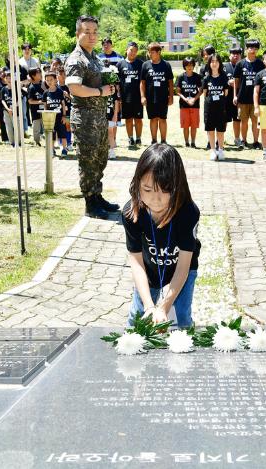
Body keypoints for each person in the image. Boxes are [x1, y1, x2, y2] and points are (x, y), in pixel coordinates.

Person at [122, 143, 201, 329]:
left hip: (182, 269)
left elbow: (184, 265)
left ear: (177, 186)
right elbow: (136, 262)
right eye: (147, 189)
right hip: (148, 269)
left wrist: (164, 307)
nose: (155, 199)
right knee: (137, 318)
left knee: (181, 317)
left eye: (165, 190)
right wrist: (150, 306)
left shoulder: (188, 212)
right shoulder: (131, 213)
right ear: (137, 184)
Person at [64, 15, 119, 219]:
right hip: (85, 119)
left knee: (99, 159)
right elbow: (74, 88)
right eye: (87, 31)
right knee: (88, 162)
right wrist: (100, 92)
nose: (92, 35)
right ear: (78, 33)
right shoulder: (76, 59)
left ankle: (97, 196)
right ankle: (90, 203)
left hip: (98, 118)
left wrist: (109, 87)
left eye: (95, 32)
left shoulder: (93, 57)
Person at [140, 42, 174, 144]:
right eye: (149, 52)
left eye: (152, 52)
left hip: (163, 97)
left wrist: (171, 96)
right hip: (150, 97)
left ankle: (163, 141)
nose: (149, 54)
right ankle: (154, 141)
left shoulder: (166, 65)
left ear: (159, 52)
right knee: (153, 119)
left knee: (162, 119)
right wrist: (142, 96)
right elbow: (142, 83)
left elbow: (170, 82)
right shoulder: (145, 65)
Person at [233, 39, 264, 150]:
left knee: (255, 121)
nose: (253, 50)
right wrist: (235, 96)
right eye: (251, 48)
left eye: (255, 48)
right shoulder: (240, 64)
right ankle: (243, 140)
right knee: (243, 121)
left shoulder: (260, 63)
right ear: (246, 49)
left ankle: (256, 141)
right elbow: (236, 81)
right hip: (242, 98)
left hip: (256, 99)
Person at [117, 41, 144, 147]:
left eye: (135, 51)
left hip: (138, 97)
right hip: (125, 97)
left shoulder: (141, 64)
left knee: (138, 119)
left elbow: (144, 81)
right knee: (128, 119)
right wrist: (119, 96)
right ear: (126, 50)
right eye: (131, 50)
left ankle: (138, 138)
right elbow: (117, 83)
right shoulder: (120, 65)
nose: (133, 53)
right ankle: (130, 138)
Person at [202, 54, 228, 161]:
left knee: (221, 130)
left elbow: (225, 92)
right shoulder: (206, 78)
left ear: (220, 63)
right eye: (212, 61)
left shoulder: (223, 77)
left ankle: (221, 150)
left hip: (221, 107)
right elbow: (205, 93)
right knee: (211, 130)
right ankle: (213, 150)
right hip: (209, 108)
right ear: (209, 63)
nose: (214, 63)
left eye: (216, 61)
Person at [175, 57, 202, 148]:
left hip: (195, 105)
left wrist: (194, 99)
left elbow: (200, 91)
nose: (189, 67)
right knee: (185, 125)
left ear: (193, 66)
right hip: (184, 105)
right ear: (184, 66)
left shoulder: (198, 77)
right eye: (187, 65)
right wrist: (185, 99)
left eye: (191, 65)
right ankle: (186, 142)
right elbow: (178, 91)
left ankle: (193, 142)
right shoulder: (180, 77)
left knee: (194, 125)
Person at [43, 71, 69, 157]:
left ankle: (64, 149)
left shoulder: (60, 91)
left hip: (60, 117)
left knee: (63, 134)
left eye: (51, 79)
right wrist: (46, 117)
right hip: (50, 118)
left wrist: (64, 116)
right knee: (52, 134)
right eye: (47, 80)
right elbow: (45, 106)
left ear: (55, 80)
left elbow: (63, 104)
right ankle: (52, 150)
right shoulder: (46, 93)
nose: (49, 81)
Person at [223, 47, 242, 146]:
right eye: (233, 53)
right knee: (224, 119)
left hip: (238, 97)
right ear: (229, 55)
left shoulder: (242, 66)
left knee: (237, 119)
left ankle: (237, 139)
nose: (235, 55)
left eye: (238, 53)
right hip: (225, 98)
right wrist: (227, 82)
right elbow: (219, 79)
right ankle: (221, 139)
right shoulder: (224, 66)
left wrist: (237, 83)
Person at [19, 43, 39, 133]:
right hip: (23, 87)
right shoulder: (19, 62)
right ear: (22, 51)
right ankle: (26, 127)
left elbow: (39, 74)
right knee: (24, 108)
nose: (27, 51)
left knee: (35, 106)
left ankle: (37, 126)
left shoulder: (35, 60)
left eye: (29, 49)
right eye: (25, 49)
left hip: (34, 86)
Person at [27, 68, 45, 146]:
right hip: (35, 111)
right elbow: (30, 101)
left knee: (46, 126)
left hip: (45, 110)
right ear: (33, 76)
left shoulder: (43, 84)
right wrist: (39, 102)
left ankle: (49, 140)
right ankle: (37, 141)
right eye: (38, 73)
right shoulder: (31, 87)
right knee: (36, 127)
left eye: (40, 72)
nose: (40, 74)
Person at [57, 67, 74, 151]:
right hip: (58, 110)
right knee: (59, 127)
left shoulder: (69, 86)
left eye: (64, 74)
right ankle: (60, 143)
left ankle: (69, 143)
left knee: (68, 126)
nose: (63, 76)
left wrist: (68, 95)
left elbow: (74, 98)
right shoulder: (56, 87)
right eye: (60, 74)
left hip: (68, 110)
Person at [0, 69, 17, 146]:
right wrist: (7, 109)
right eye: (7, 78)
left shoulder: (16, 88)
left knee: (16, 126)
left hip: (15, 111)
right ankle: (11, 141)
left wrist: (14, 108)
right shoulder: (3, 89)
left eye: (10, 78)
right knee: (8, 126)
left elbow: (19, 99)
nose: (9, 80)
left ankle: (18, 141)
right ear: (5, 79)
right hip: (6, 111)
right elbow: (2, 100)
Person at [106, 72, 121, 159]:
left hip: (111, 114)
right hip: (102, 114)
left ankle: (111, 151)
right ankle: (105, 150)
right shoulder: (101, 87)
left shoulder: (113, 88)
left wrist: (115, 115)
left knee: (110, 132)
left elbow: (116, 102)